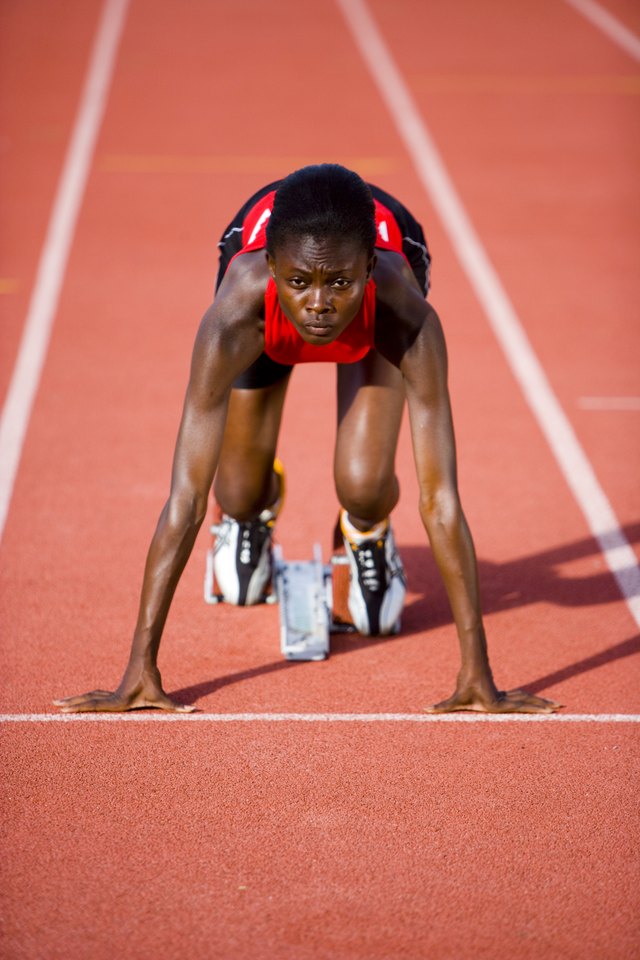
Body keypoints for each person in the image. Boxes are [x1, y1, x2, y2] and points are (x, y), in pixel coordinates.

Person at [54, 164, 560, 715]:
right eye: (299, 282)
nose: (318, 304)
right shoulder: (234, 314)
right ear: (271, 267)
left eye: (338, 283)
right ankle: (252, 512)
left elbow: (440, 498)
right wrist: (140, 668)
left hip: (372, 320)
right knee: (237, 493)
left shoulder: (406, 314)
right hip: (267, 322)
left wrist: (477, 672)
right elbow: (185, 498)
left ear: (369, 269)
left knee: (364, 484)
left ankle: (365, 532)